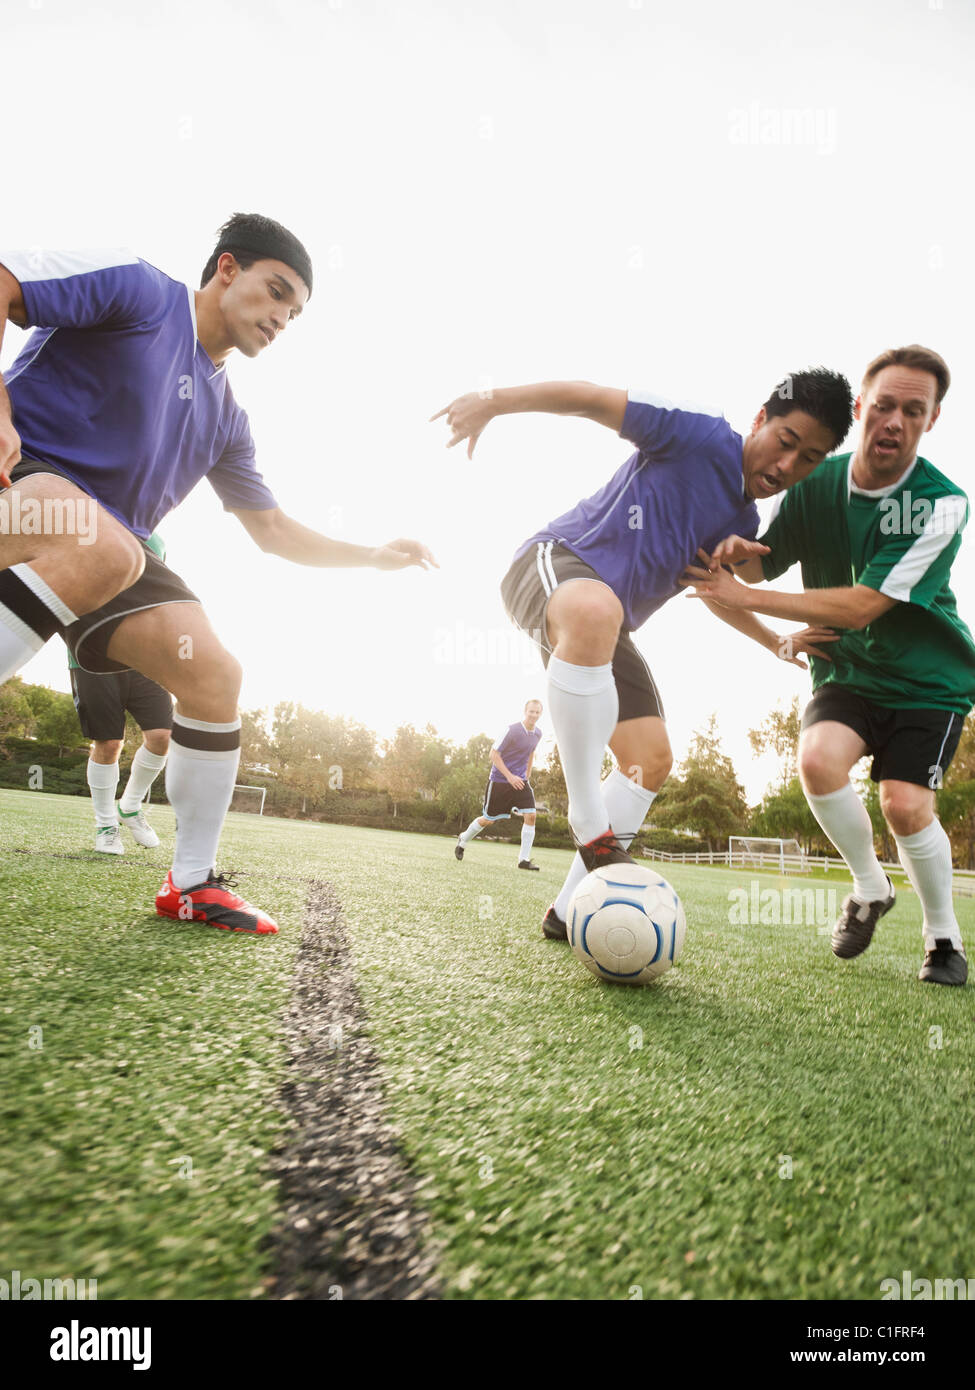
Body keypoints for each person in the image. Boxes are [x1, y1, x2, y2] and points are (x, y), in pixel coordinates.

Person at [0, 213, 435, 934]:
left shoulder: (227, 419)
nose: (280, 319)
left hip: (112, 546)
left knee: (213, 674)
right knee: (104, 544)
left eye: (293, 314)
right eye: (275, 293)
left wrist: (372, 554)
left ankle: (192, 883)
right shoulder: (139, 291)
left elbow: (271, 531)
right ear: (226, 269)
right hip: (22, 478)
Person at [433, 371, 853, 938]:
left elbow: (716, 593)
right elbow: (588, 401)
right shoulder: (699, 435)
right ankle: (588, 819)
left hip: (606, 627)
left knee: (650, 759)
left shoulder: (744, 523)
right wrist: (493, 402)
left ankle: (567, 911)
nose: (786, 466)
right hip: (554, 565)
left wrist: (773, 640)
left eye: (808, 459)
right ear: (760, 420)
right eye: (785, 442)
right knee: (595, 609)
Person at [681, 345, 971, 988]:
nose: (895, 420)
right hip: (846, 670)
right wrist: (738, 555)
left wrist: (748, 597)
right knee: (816, 761)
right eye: (886, 405)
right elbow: (764, 560)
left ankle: (943, 938)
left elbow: (864, 605)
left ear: (932, 421)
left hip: (929, 680)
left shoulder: (943, 505)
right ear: (864, 407)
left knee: (902, 804)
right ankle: (870, 889)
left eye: (913, 411)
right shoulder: (814, 482)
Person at [69, 531, 172, 854]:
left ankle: (130, 806)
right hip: (91, 655)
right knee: (109, 743)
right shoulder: (83, 529)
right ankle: (105, 824)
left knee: (162, 736)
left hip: (142, 656)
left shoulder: (156, 542)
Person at [455, 699, 543, 870]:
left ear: (540, 714)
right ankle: (463, 839)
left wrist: (528, 773)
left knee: (531, 815)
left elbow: (531, 752)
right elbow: (493, 754)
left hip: (520, 782)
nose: (533, 715)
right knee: (488, 820)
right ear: (525, 711)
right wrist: (510, 777)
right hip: (500, 781)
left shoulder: (538, 733)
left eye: (537, 712)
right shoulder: (511, 730)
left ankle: (523, 860)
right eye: (531, 711)